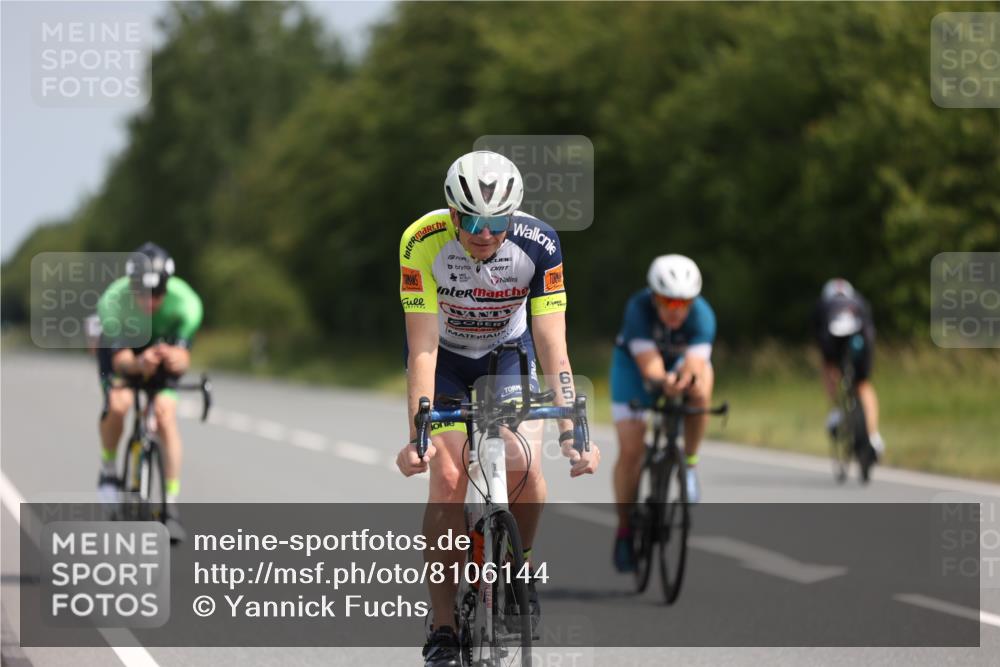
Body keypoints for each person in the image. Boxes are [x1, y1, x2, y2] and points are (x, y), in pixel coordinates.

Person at [395, 150, 600, 667]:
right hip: (444, 360)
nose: (484, 233)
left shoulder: (540, 243)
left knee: (524, 468)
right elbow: (421, 346)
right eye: (471, 220)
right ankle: (442, 627)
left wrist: (571, 427)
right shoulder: (420, 241)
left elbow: (552, 343)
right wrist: (417, 435)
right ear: (451, 211)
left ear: (514, 215)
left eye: (496, 222)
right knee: (445, 478)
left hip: (506, 357)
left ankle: (518, 571)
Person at [609, 254, 716, 572]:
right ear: (654, 296)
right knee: (631, 451)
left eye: (683, 302)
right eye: (667, 301)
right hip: (634, 369)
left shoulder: (703, 316)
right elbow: (651, 368)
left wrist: (685, 380)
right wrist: (664, 383)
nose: (675, 310)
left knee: (700, 388)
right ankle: (625, 528)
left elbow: (696, 363)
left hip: (678, 365)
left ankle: (691, 463)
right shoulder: (637, 309)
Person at [95, 242, 203, 542]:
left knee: (166, 416)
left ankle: (171, 506)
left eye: (157, 294)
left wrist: (174, 357)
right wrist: (138, 363)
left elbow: (183, 360)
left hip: (161, 349)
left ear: (167, 288)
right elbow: (120, 361)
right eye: (142, 293)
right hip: (126, 352)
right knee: (119, 403)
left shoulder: (187, 304)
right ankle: (108, 469)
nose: (150, 301)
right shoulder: (113, 302)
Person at [812, 278, 884, 459]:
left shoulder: (823, 303)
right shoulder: (859, 300)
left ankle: (836, 412)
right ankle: (874, 437)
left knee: (828, 366)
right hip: (861, 340)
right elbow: (870, 328)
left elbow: (817, 333)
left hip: (833, 339)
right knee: (864, 385)